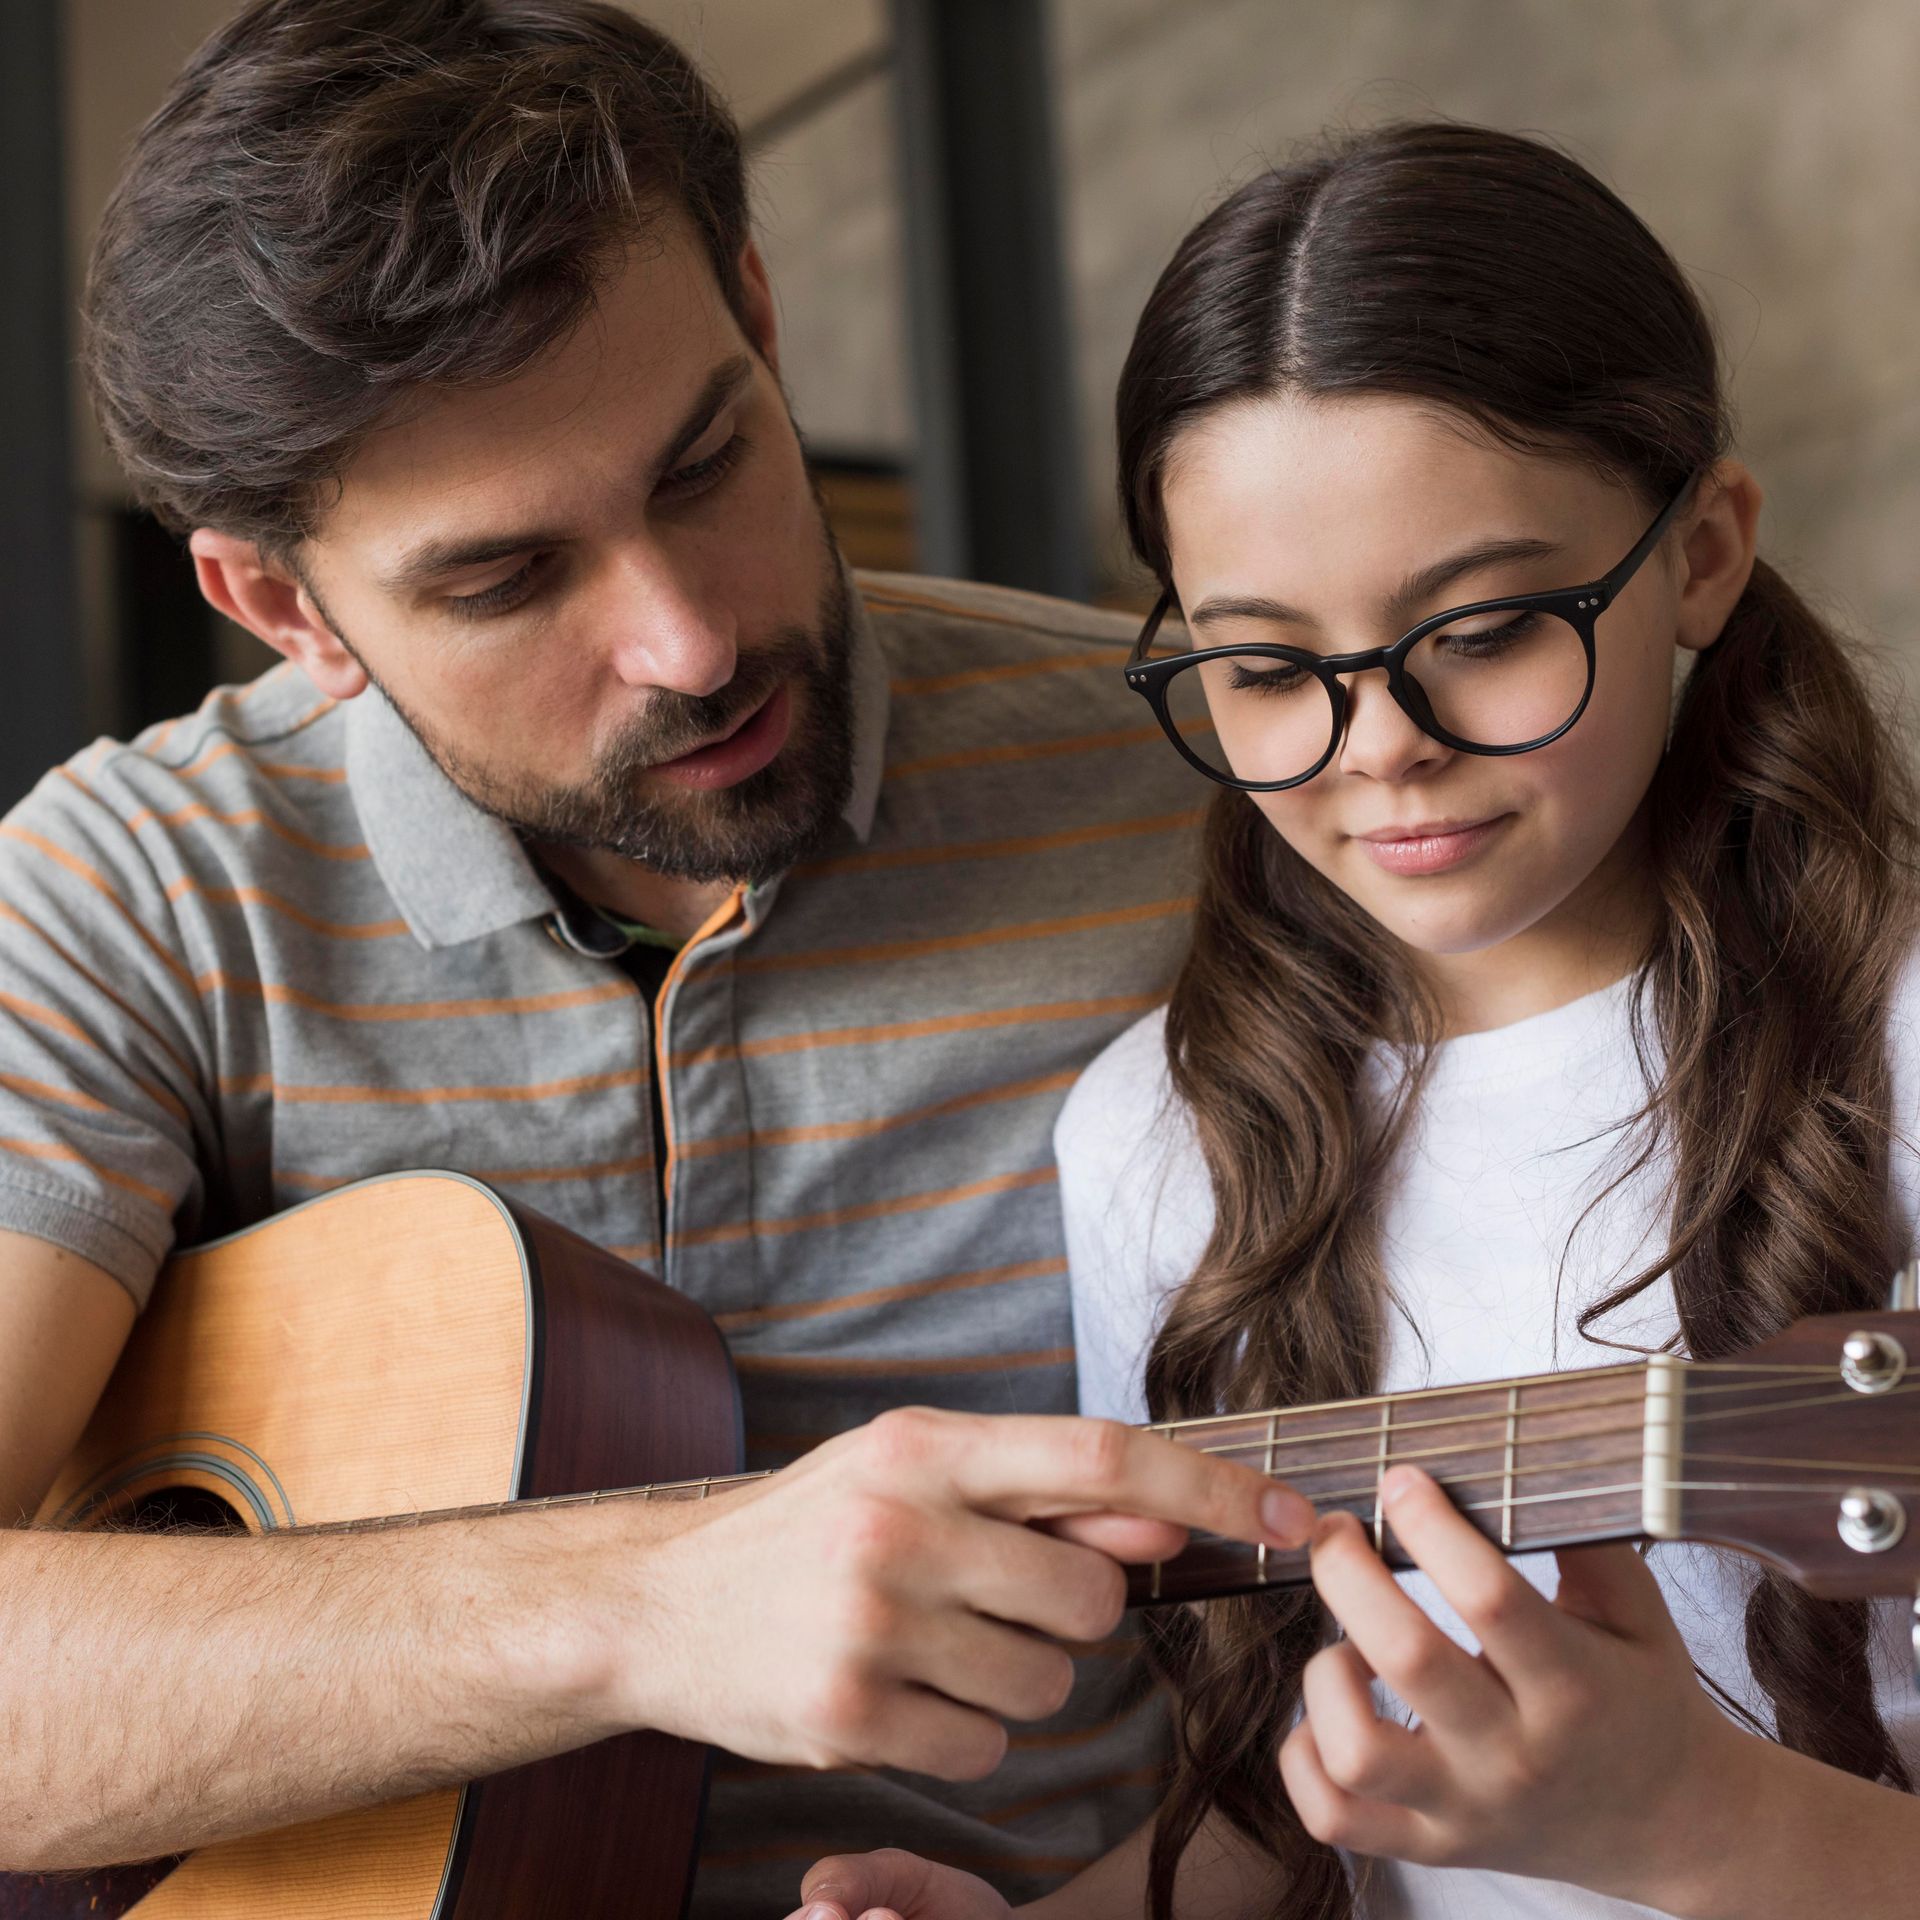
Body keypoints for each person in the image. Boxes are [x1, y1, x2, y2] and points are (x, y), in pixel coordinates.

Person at [0, 1, 1318, 1909]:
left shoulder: (1219, 788)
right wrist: (638, 1604)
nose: (691, 640)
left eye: (705, 463)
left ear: (766, 323)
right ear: (283, 604)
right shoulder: (132, 893)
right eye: (506, 577)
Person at [791, 122, 1920, 1920]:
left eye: (1480, 631)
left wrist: (1704, 1825)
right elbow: (1294, 1798)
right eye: (1262, 668)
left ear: (1703, 552)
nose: (1380, 740)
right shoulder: (1159, 1139)